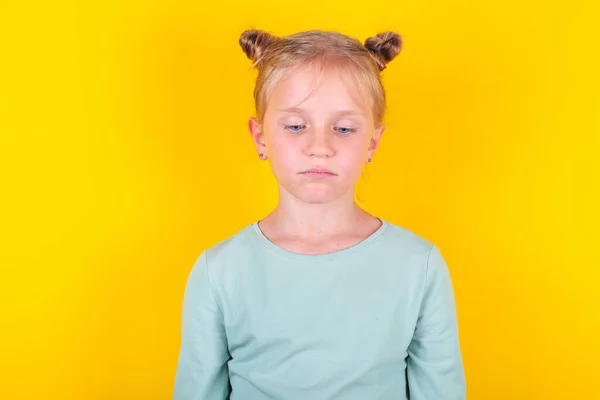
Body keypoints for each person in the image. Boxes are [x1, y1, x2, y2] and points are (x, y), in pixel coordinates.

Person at [173, 28, 466, 400]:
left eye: (343, 128)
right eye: (296, 126)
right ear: (260, 137)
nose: (319, 147)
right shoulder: (219, 270)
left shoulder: (419, 265)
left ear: (372, 142)